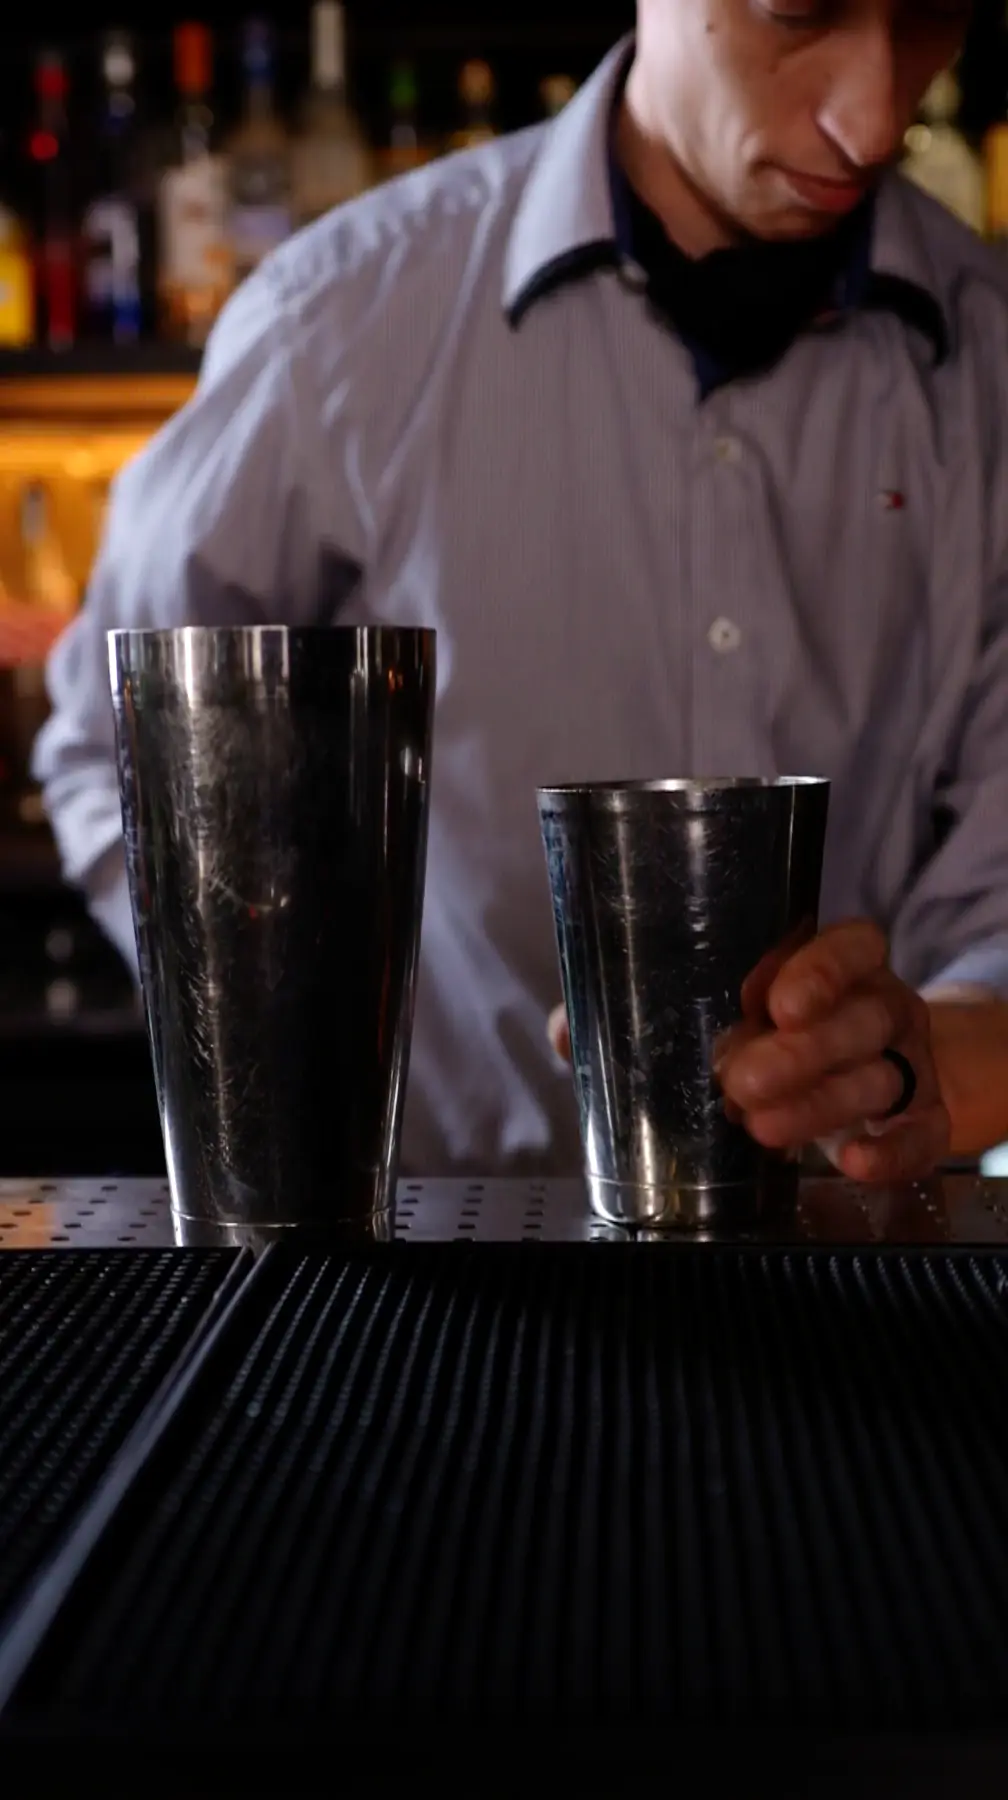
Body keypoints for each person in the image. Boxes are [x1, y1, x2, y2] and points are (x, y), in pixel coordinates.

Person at [34, 0, 1008, 1183]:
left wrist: (920, 1060)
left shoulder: (991, 361)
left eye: (928, 22)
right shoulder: (347, 316)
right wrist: (286, 1027)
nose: (872, 120)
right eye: (797, 13)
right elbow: (113, 739)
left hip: (860, 1277)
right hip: (418, 1273)